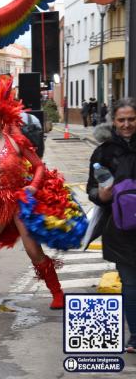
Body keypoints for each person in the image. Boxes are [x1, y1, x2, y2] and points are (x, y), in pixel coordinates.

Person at [0, 79, 85, 309]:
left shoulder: (16, 142)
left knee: (33, 250)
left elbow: (38, 166)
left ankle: (57, 293)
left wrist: (33, 187)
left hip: (19, 202)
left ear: (2, 119)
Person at [86, 98, 136, 353]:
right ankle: (135, 337)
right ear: (114, 122)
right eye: (122, 120)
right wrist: (101, 195)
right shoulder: (103, 152)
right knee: (129, 282)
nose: (127, 124)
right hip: (119, 227)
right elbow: (91, 190)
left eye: (131, 119)